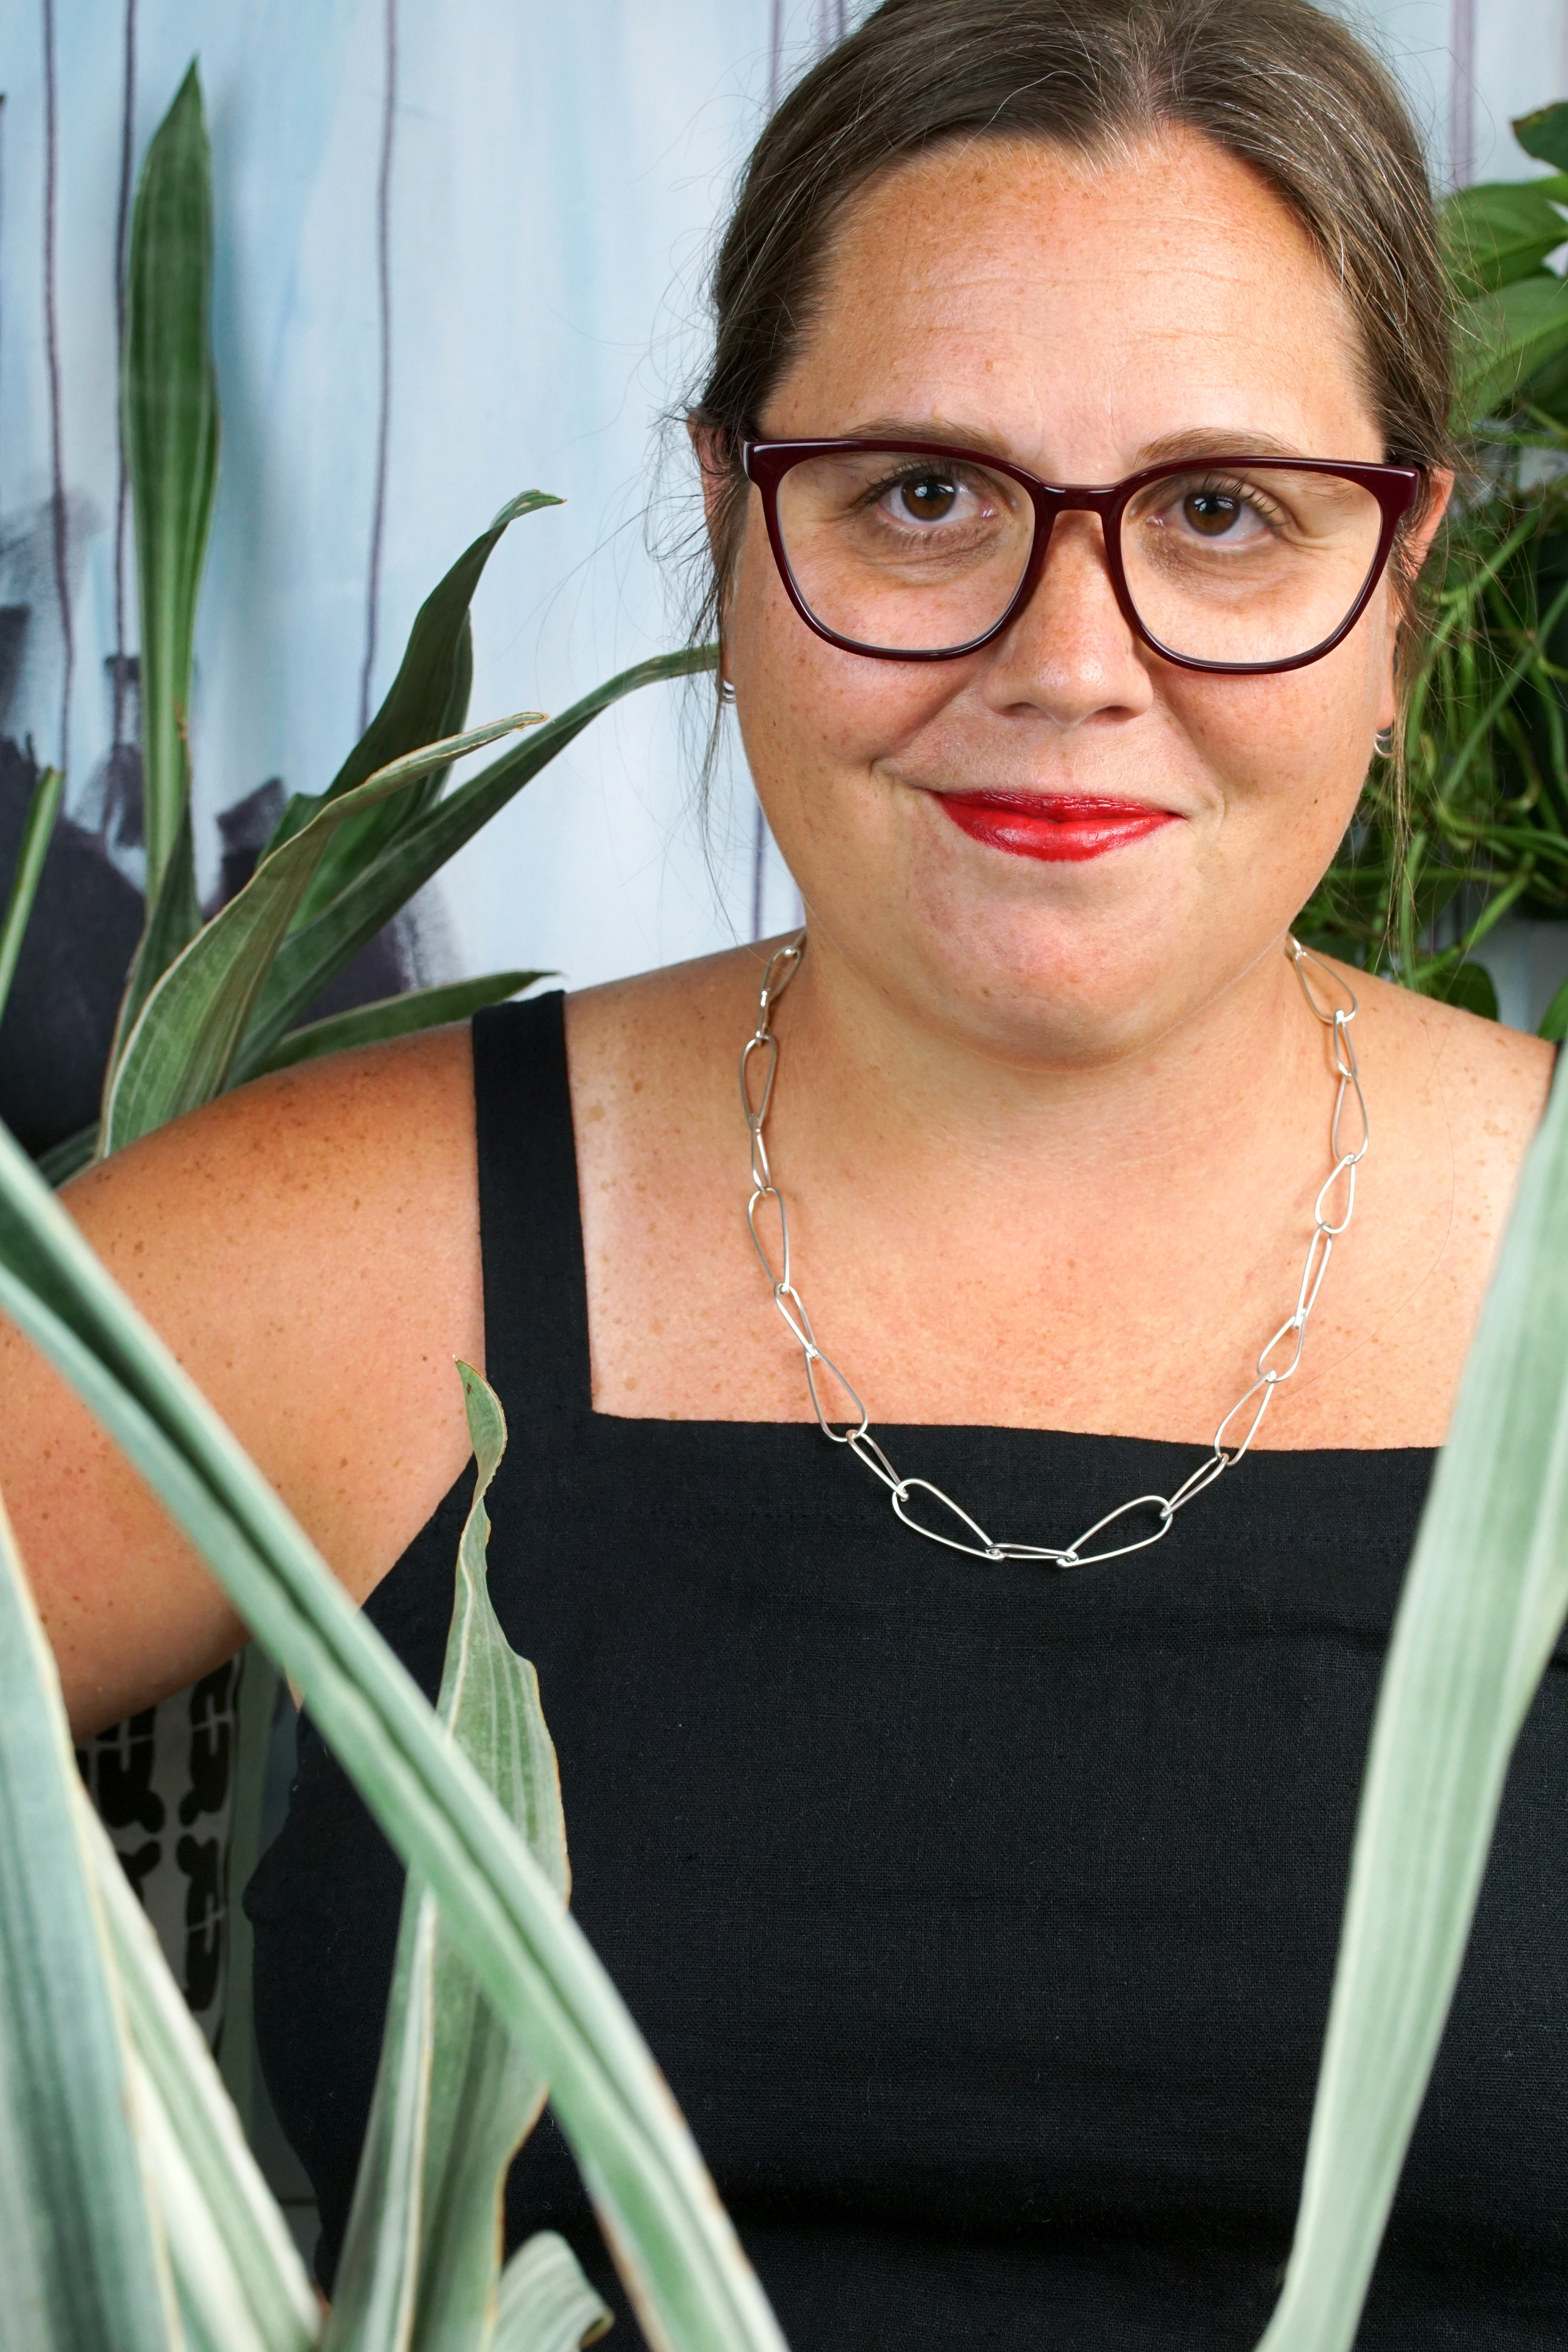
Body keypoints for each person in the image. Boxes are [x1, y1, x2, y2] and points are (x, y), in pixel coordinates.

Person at [4, 0, 1563, 2341]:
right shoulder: (354, 1251)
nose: (1070, 658)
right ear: (742, 520)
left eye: (1224, 512)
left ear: (1400, 581)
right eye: (923, 494)